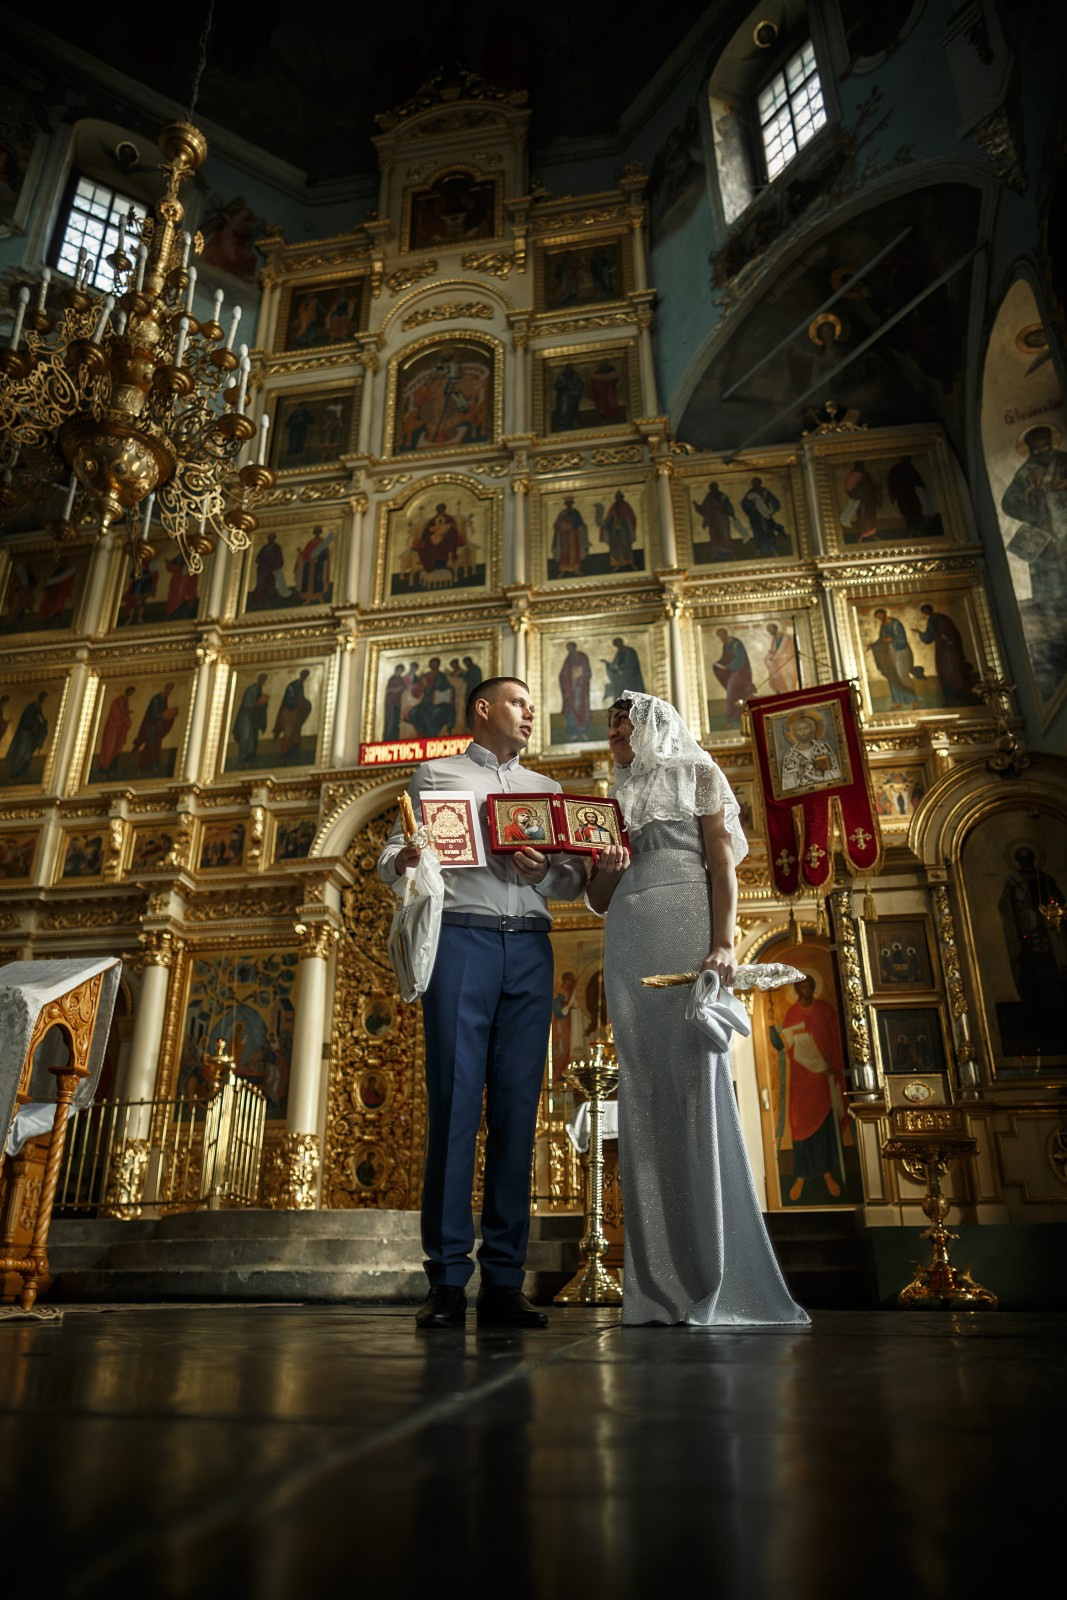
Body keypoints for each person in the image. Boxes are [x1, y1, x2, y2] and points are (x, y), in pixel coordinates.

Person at [587, 692, 808, 1328]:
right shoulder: (615, 796)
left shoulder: (701, 775)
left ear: (654, 725)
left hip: (689, 923)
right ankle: (657, 1285)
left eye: (621, 724)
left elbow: (722, 865)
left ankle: (716, 1272)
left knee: (692, 1081)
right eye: (610, 728)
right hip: (628, 933)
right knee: (644, 1088)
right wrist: (604, 866)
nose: (614, 736)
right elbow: (601, 897)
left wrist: (723, 941)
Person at [378, 677, 586, 1328]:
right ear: (484, 709)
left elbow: (573, 878)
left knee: (518, 1113)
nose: (531, 713)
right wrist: (408, 855)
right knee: (455, 1106)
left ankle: (502, 1281)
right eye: (521, 703)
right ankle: (444, 1282)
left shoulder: (547, 792)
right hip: (461, 940)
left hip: (529, 945)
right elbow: (391, 855)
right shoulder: (435, 776)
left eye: (532, 705)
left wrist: (542, 872)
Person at [770, 974, 849, 1202]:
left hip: (824, 1078)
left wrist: (834, 1065)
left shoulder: (825, 1010)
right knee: (799, 1125)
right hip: (802, 1082)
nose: (806, 989)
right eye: (802, 986)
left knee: (825, 1127)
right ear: (797, 989)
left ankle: (827, 1174)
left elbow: (837, 1040)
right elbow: (780, 1045)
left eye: (809, 985)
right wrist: (769, 1025)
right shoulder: (792, 1014)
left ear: (814, 987)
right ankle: (801, 1176)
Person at [913, 604, 978, 705]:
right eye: (924, 612)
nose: (925, 614)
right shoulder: (936, 619)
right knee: (946, 670)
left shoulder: (939, 619)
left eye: (925, 612)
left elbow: (944, 634)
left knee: (951, 669)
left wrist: (947, 639)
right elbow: (931, 636)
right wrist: (920, 633)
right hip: (944, 648)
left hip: (947, 648)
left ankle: (959, 694)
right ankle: (953, 696)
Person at [868, 607, 919, 709]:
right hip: (890, 652)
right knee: (892, 674)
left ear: (884, 614)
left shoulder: (895, 623)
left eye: (880, 616)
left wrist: (892, 639)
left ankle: (914, 700)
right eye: (877, 617)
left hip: (901, 651)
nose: (879, 618)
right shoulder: (883, 625)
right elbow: (882, 640)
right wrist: (873, 645)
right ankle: (898, 701)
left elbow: (902, 639)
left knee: (902, 674)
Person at [779, 710, 841, 791]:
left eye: (806, 728)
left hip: (826, 790)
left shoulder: (822, 747)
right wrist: (798, 774)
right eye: (799, 729)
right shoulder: (790, 755)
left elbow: (837, 773)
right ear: (794, 733)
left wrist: (823, 774)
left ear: (812, 729)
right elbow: (785, 785)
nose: (803, 732)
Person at [131, 682, 177, 776]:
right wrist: (163, 716)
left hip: (158, 729)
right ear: (166, 689)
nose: (170, 692)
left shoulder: (164, 699)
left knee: (156, 747)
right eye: (169, 690)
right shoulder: (157, 699)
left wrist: (170, 715)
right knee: (149, 746)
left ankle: (153, 766)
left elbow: (164, 711)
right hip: (151, 728)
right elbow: (153, 714)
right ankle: (141, 768)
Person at [3, 691, 49, 783]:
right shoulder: (31, 707)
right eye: (43, 697)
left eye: (45, 698)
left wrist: (43, 722)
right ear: (40, 696)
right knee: (21, 754)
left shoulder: (39, 707)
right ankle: (13, 776)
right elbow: (26, 719)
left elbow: (41, 720)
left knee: (27, 756)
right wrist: (36, 719)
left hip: (31, 736)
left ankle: (22, 775)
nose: (44, 699)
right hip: (24, 735)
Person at [711, 629, 754, 726]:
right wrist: (718, 664)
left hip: (741, 672)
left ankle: (732, 717)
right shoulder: (725, 645)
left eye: (722, 635)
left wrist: (728, 666)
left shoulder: (736, 644)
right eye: (719, 637)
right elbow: (724, 658)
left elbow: (741, 659)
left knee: (732, 692)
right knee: (734, 693)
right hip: (733, 672)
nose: (721, 638)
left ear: (726, 634)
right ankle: (736, 717)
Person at [740, 476, 788, 557]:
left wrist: (773, 510)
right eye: (754, 482)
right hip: (755, 516)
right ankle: (759, 549)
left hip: (764, 515)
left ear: (760, 483)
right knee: (758, 533)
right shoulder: (750, 492)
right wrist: (752, 506)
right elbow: (744, 503)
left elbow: (774, 500)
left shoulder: (764, 491)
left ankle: (773, 549)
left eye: (757, 482)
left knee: (768, 531)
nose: (755, 484)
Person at [692, 481, 740, 561]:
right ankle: (716, 554)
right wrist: (696, 505)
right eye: (711, 487)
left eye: (714, 487)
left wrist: (731, 514)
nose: (712, 488)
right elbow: (705, 508)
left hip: (722, 519)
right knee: (715, 537)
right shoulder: (709, 496)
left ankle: (730, 554)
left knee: (725, 536)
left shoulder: (721, 496)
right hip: (713, 520)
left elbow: (727, 505)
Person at [273, 669, 312, 763]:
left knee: (295, 735)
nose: (305, 677)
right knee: (288, 734)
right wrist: (296, 703)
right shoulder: (293, 685)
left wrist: (305, 703)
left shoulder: (300, 685)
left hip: (296, 715)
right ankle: (283, 757)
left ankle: (292, 756)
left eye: (306, 676)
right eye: (304, 675)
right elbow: (290, 698)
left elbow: (301, 698)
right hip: (289, 714)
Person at [232, 673, 269, 767]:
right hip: (245, 718)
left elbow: (259, 707)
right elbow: (247, 704)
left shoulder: (259, 690)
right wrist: (258, 702)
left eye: (264, 680)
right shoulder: (251, 689)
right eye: (262, 679)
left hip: (253, 719)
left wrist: (264, 704)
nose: (263, 682)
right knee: (245, 738)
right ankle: (241, 761)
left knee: (253, 740)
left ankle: (250, 760)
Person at [97, 686, 136, 775]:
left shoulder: (125, 701)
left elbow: (123, 713)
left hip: (119, 730)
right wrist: (125, 719)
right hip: (113, 729)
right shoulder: (118, 701)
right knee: (110, 748)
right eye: (131, 692)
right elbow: (116, 714)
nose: (131, 694)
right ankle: (105, 769)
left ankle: (112, 769)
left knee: (117, 748)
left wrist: (127, 716)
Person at [558, 641, 592, 740]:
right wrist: (567, 679)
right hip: (571, 690)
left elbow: (587, 672)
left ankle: (583, 732)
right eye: (568, 649)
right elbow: (563, 674)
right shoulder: (568, 659)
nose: (569, 650)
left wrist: (580, 679)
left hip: (581, 690)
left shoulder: (582, 657)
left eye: (571, 648)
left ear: (575, 647)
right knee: (571, 709)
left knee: (582, 710)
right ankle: (573, 733)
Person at [599, 490, 638, 570]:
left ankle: (629, 562)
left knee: (625, 545)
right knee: (615, 546)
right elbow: (609, 517)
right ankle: (616, 563)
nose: (618, 498)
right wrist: (606, 523)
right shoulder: (614, 506)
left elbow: (631, 517)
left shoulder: (626, 506)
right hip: (615, 531)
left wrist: (625, 520)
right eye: (617, 497)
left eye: (619, 497)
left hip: (624, 529)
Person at [552, 497, 589, 576]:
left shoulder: (575, 512)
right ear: (566, 504)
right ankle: (563, 570)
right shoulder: (562, 513)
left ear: (572, 504)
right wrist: (563, 525)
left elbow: (579, 522)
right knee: (565, 552)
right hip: (564, 536)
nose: (569, 505)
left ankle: (576, 569)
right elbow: (556, 525)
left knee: (574, 552)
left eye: (570, 503)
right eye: (567, 504)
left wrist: (572, 525)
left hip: (573, 534)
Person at [603, 636, 645, 701]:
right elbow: (615, 664)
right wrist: (608, 664)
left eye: (618, 645)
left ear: (621, 643)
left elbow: (632, 664)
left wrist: (621, 668)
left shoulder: (630, 651)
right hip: (622, 676)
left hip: (631, 678)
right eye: (616, 646)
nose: (617, 647)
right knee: (617, 688)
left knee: (629, 694)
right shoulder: (619, 653)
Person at [765, 622, 797, 693]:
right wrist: (772, 653)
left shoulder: (785, 637)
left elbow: (782, 649)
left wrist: (774, 656)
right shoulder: (774, 639)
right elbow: (775, 650)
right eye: (769, 630)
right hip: (778, 662)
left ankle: (791, 693)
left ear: (776, 628)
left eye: (771, 629)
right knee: (779, 679)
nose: (770, 631)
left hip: (786, 661)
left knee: (788, 678)